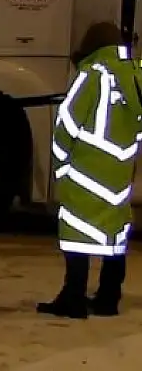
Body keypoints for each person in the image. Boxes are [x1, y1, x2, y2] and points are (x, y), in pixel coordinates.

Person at [37, 21, 141, 319]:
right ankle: (109, 299)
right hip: (119, 173)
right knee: (114, 237)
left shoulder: (92, 75)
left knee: (76, 235)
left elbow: (66, 125)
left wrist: (61, 168)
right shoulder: (134, 75)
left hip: (84, 172)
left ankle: (73, 298)